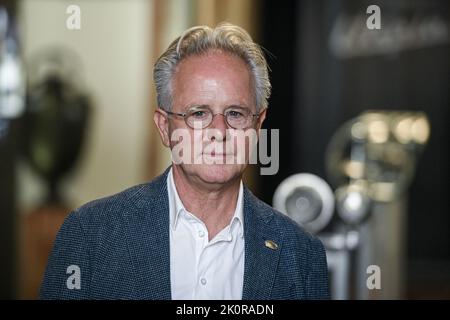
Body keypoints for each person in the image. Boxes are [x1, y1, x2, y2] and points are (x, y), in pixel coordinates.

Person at [40, 22, 329, 300]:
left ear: (258, 126)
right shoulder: (90, 235)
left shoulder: (301, 255)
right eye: (199, 114)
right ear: (165, 127)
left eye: (236, 114)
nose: (219, 132)